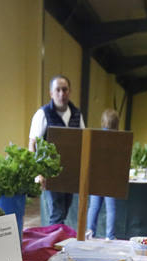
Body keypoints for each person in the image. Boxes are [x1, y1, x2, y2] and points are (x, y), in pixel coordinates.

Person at [29, 74, 82, 225]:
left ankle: (58, 242)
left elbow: (83, 141)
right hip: (50, 174)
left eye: (64, 90)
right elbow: (32, 145)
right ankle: (53, 246)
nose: (61, 94)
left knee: (64, 211)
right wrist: (38, 172)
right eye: (57, 90)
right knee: (57, 213)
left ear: (69, 91)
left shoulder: (77, 114)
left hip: (70, 173)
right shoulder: (42, 114)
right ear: (51, 93)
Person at [86, 109, 120, 239]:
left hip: (96, 176)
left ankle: (90, 232)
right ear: (117, 124)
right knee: (110, 208)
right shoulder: (118, 139)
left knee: (94, 207)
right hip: (110, 177)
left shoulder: (96, 137)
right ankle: (109, 236)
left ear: (102, 122)